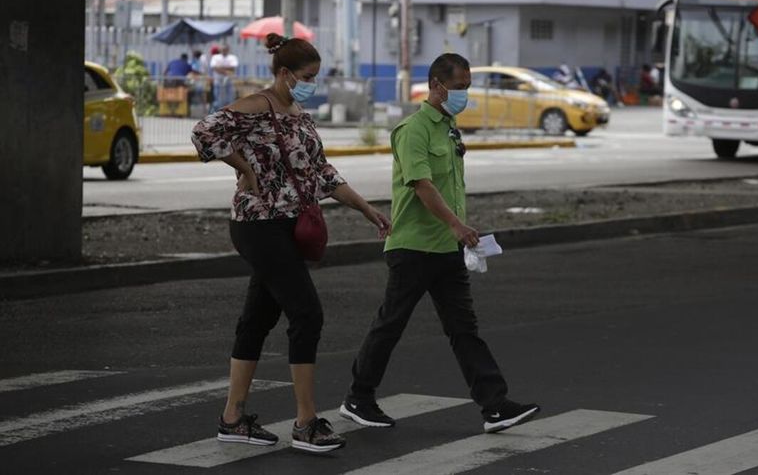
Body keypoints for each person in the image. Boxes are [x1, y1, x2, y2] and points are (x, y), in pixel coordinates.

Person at [191, 33, 391, 454]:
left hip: (289, 225)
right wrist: (244, 168)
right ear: (285, 73)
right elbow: (204, 132)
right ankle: (305, 422)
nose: (312, 84)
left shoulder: (299, 115)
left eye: (315, 76)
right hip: (258, 225)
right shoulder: (256, 106)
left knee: (257, 319)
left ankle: (233, 419)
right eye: (308, 76)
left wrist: (366, 209)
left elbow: (323, 172)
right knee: (306, 313)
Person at [340, 53, 540, 435]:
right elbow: (422, 185)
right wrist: (456, 225)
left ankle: (494, 406)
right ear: (436, 85)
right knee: (390, 324)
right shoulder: (413, 130)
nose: (464, 94)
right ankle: (358, 398)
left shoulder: (449, 129)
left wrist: (457, 232)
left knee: (464, 329)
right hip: (414, 246)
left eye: (467, 87)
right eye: (459, 87)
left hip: (448, 248)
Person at [210, 45, 239, 112]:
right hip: (218, 81)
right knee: (218, 100)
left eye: (225, 49)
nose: (224, 51)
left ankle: (228, 113)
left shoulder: (232, 57)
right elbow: (214, 67)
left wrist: (220, 68)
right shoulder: (215, 57)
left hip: (229, 81)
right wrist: (226, 71)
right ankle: (217, 113)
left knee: (229, 99)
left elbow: (233, 68)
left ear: (228, 50)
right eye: (223, 49)